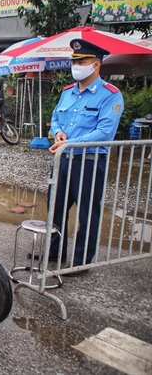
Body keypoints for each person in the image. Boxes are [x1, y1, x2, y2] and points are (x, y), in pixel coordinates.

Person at [31, 39, 124, 277]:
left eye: (81, 61)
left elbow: (104, 132)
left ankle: (81, 260)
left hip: (90, 161)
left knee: (87, 213)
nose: (76, 66)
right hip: (63, 160)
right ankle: (54, 251)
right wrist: (58, 132)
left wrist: (69, 142)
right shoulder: (67, 93)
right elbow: (55, 119)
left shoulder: (110, 95)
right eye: (74, 61)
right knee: (56, 207)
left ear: (96, 65)